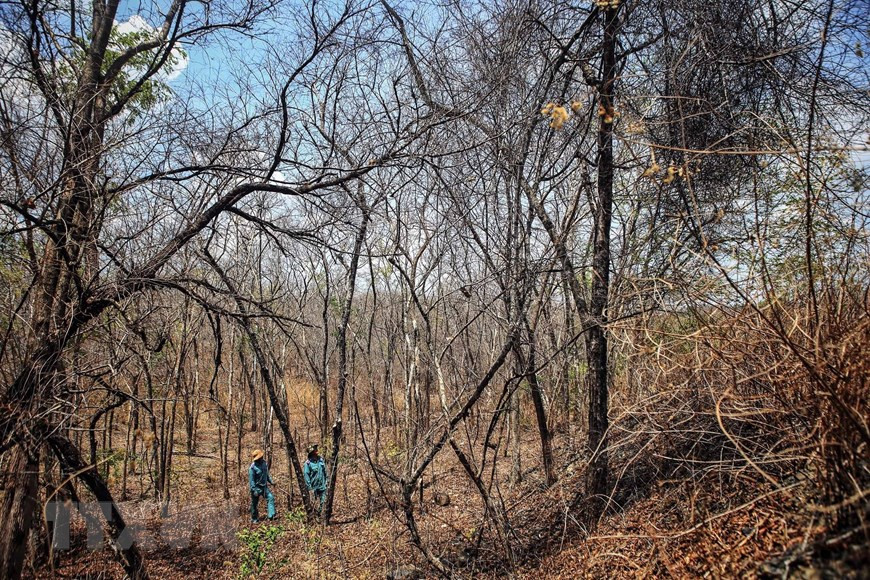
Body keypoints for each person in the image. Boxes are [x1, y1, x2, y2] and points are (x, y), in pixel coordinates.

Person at [248, 449, 276, 523]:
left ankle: (271, 516)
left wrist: (271, 481)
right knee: (254, 504)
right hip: (256, 488)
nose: (261, 458)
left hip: (264, 487)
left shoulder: (264, 463)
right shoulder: (252, 468)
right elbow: (252, 480)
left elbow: (266, 474)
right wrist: (254, 490)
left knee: (270, 498)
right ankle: (254, 519)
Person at [303, 444, 328, 514]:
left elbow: (325, 471)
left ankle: (321, 515)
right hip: (314, 488)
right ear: (312, 452)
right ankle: (315, 517)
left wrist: (327, 481)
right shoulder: (307, 464)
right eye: (315, 449)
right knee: (314, 504)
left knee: (323, 502)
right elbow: (306, 476)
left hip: (322, 486)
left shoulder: (321, 460)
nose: (317, 451)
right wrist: (310, 488)